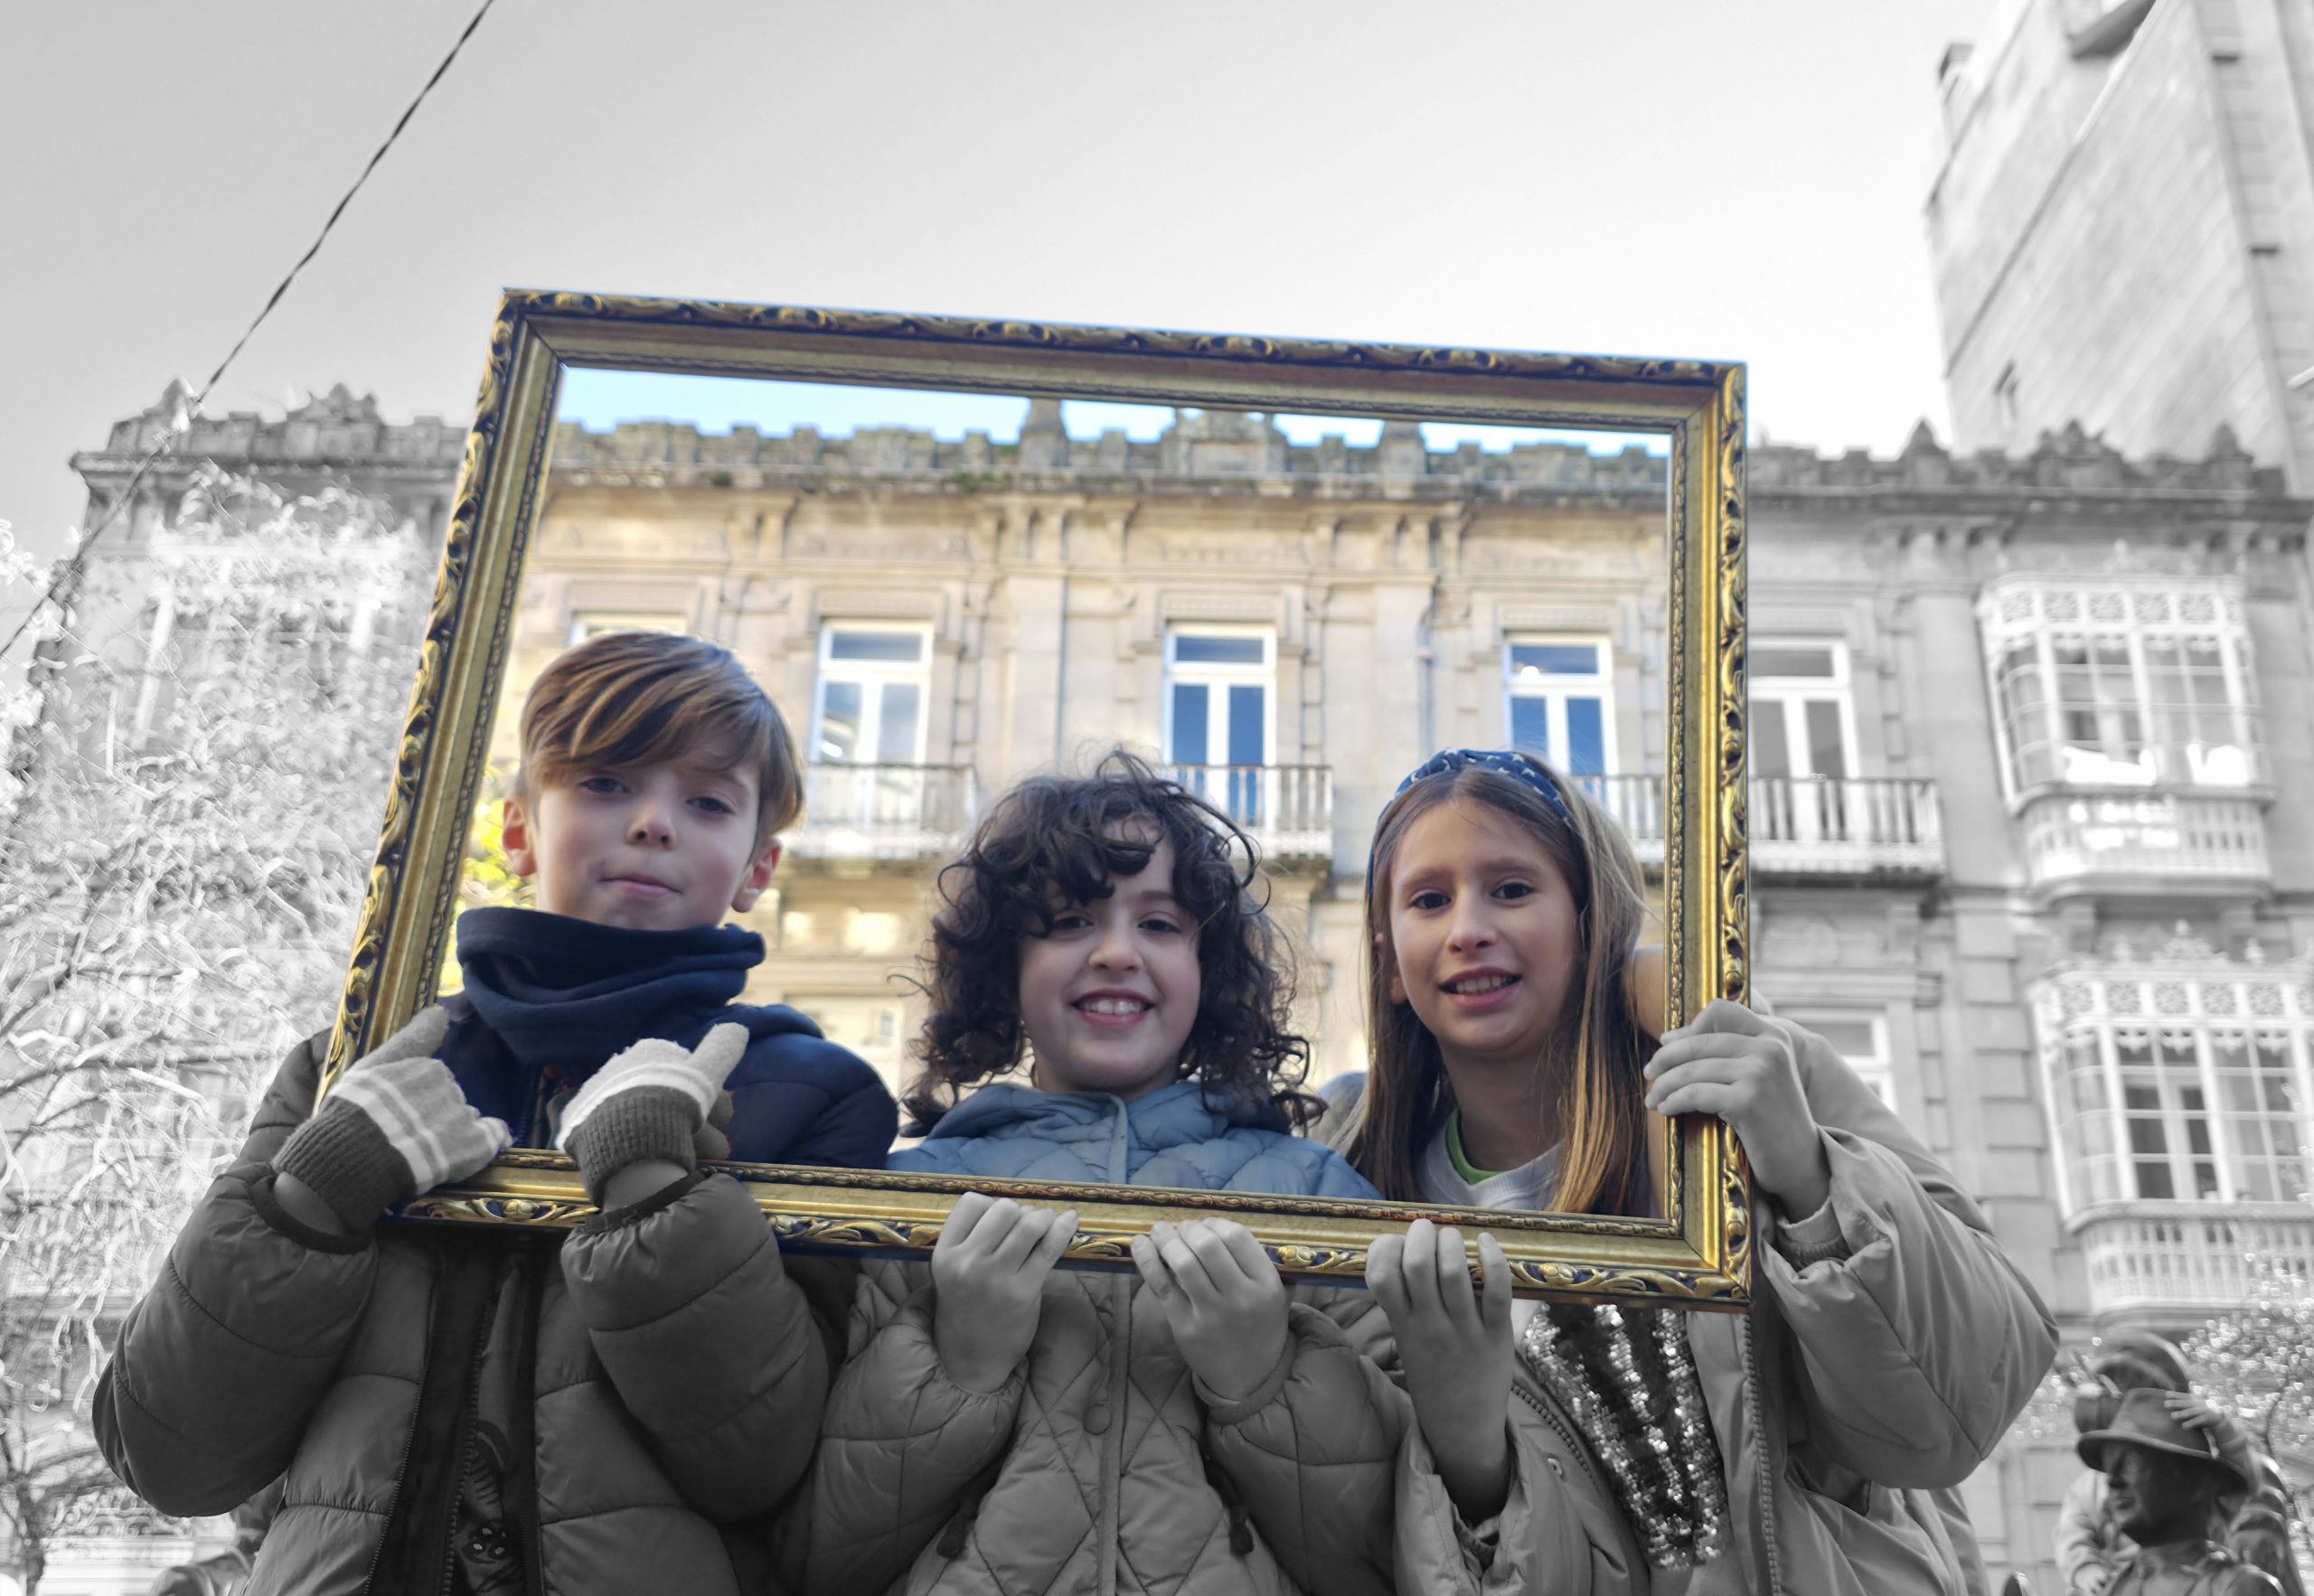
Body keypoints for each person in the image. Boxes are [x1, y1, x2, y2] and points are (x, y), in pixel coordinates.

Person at [96, 630, 896, 1595]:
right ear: (518, 829)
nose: (653, 821)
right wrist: (313, 1195)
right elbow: (169, 1456)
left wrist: (656, 1193)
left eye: (707, 801)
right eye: (605, 782)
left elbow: (765, 1468)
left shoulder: (814, 1096)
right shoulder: (356, 1066)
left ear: (758, 865)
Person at [1323, 746, 2059, 1594]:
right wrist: (1466, 1439)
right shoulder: (1346, 1186)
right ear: (1388, 959)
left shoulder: (1746, 1074)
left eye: (1513, 889)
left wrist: (1807, 1173)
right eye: (1428, 899)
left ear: (1590, 919)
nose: (1468, 929)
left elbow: (1959, 1403)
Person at [780, 752, 1403, 1595]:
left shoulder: (1317, 1194)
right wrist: (960, 1365)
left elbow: (1390, 1555)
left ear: (1210, 967)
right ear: (1005, 966)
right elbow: (820, 1558)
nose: (1115, 952)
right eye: (1071, 921)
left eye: (1160, 924)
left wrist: (1264, 1379)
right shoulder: (910, 1196)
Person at [2074, 1388, 2280, 1595]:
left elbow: (2245, 1490)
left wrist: (2224, 1429)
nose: (2113, 1481)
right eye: (2109, 1467)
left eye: (2130, 1463)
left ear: (2198, 1484)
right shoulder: (2113, 1589)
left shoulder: (2236, 1588)